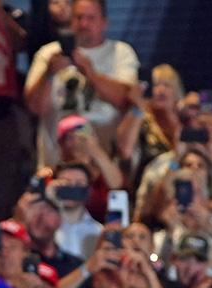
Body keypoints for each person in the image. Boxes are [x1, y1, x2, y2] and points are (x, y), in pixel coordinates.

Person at [25, 0, 139, 168]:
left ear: (104, 23)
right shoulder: (48, 54)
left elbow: (125, 100)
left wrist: (90, 73)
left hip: (106, 165)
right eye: (78, 17)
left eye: (91, 18)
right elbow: (35, 108)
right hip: (56, 164)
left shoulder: (121, 53)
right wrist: (49, 75)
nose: (83, 23)